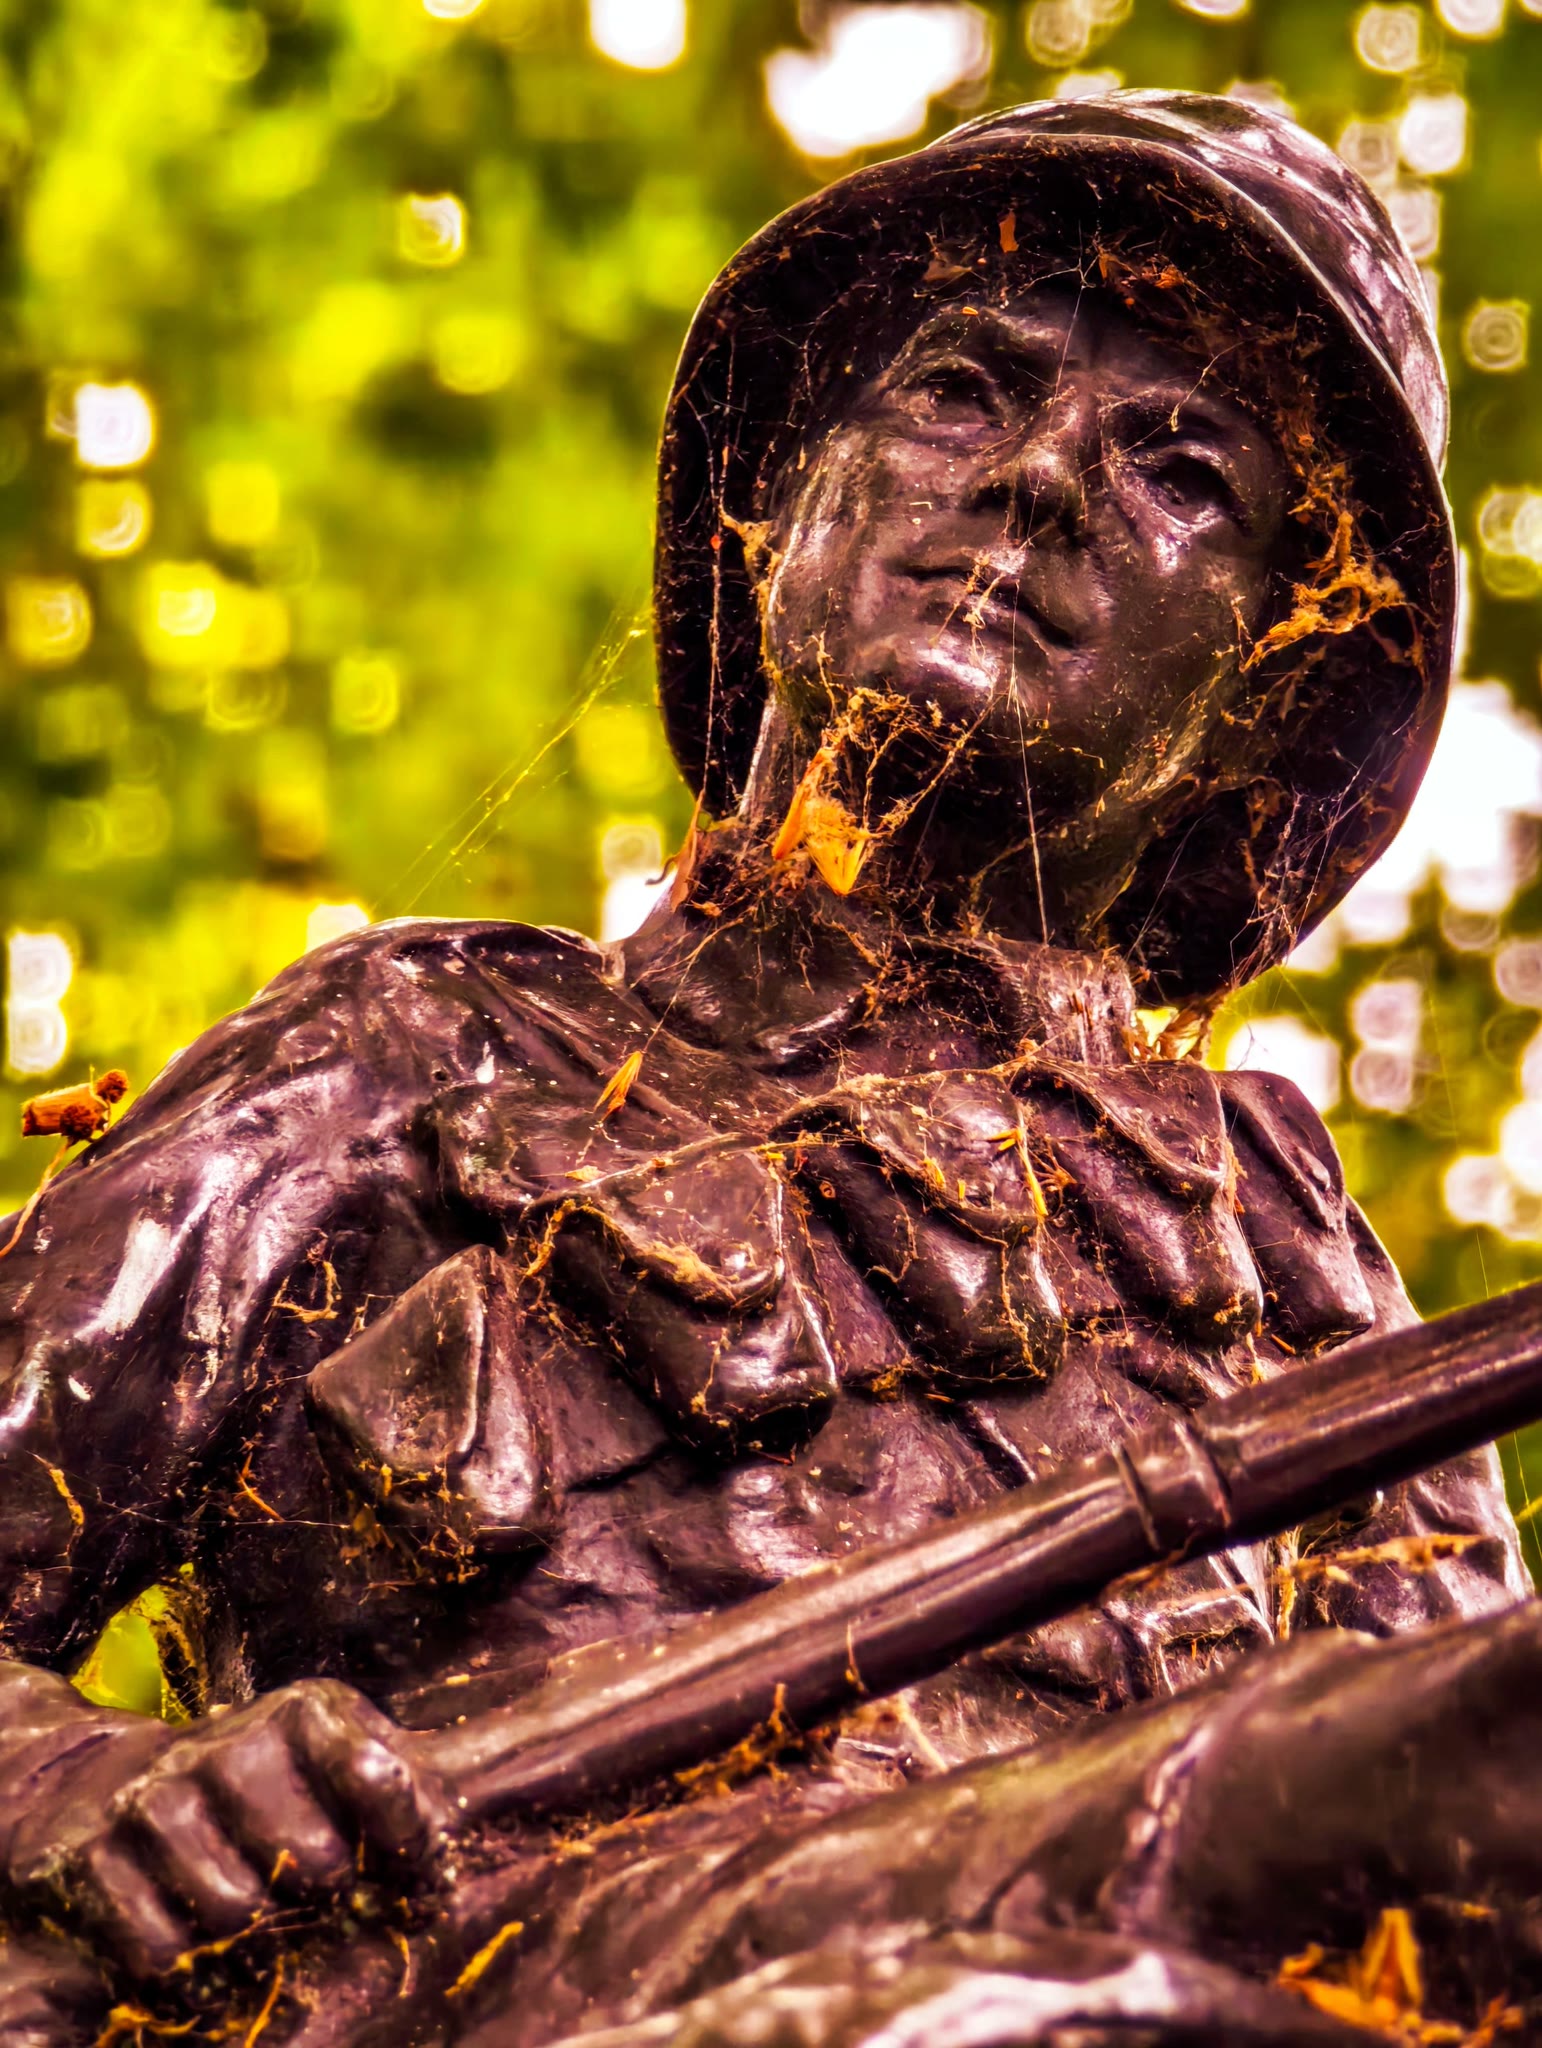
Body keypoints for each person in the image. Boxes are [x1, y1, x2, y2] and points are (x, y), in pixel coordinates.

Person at [0, 90, 1534, 2048]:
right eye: (963, 392)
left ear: (1267, 693)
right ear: (776, 504)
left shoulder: (1287, 1272)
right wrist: (80, 1781)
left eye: (1181, 473)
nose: (1040, 480)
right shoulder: (408, 1058)